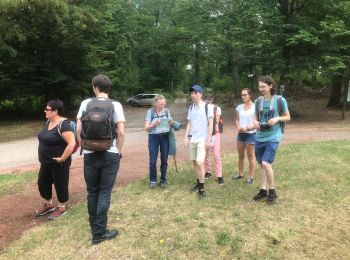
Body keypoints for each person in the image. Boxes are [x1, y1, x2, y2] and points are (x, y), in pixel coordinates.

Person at [77, 74, 125, 244]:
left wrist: (84, 146)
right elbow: (120, 132)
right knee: (104, 192)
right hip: (109, 153)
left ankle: (94, 227)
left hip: (89, 153)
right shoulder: (115, 105)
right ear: (108, 88)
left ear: (95, 87)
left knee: (92, 192)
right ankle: (99, 232)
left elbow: (79, 129)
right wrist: (118, 150)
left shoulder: (85, 104)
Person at [36, 99, 75, 220]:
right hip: (45, 162)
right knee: (42, 183)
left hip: (59, 163)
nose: (45, 111)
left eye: (47, 109)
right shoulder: (48, 122)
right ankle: (49, 205)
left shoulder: (64, 124)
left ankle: (61, 207)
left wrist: (62, 158)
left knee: (60, 184)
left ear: (55, 111)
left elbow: (71, 143)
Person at [253, 76, 290, 202]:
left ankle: (272, 192)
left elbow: (287, 117)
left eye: (263, 86)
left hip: (273, 137)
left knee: (266, 163)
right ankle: (263, 190)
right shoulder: (258, 101)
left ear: (271, 86)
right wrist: (255, 123)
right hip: (259, 136)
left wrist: (277, 118)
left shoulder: (280, 100)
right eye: (259, 86)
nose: (261, 89)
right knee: (260, 164)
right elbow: (255, 118)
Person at [184, 85, 213, 199]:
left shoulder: (207, 107)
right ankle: (198, 183)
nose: (193, 95)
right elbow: (189, 123)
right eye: (192, 93)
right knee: (195, 162)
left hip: (202, 139)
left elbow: (211, 123)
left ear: (201, 94)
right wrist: (186, 137)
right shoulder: (191, 108)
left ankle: (202, 189)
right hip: (193, 139)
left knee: (200, 163)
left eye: (195, 93)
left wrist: (208, 139)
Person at [144, 95, 173, 189]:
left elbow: (171, 122)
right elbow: (146, 128)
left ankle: (163, 180)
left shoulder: (167, 111)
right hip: (154, 137)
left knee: (164, 159)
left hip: (164, 137)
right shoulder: (150, 112)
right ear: (155, 104)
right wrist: (154, 124)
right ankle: (153, 180)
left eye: (164, 104)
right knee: (153, 161)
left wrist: (171, 122)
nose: (163, 106)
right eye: (161, 104)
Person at [233, 88, 256, 184]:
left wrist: (247, 128)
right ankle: (241, 174)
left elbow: (256, 123)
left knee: (250, 156)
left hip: (251, 134)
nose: (243, 97)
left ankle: (251, 177)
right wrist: (238, 127)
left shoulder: (255, 107)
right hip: (241, 134)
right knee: (240, 155)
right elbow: (237, 120)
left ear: (250, 95)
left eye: (245, 95)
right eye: (242, 95)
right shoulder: (239, 107)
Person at [203, 94, 224, 185]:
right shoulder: (202, 108)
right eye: (207, 99)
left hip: (215, 134)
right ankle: (207, 171)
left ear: (212, 100)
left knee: (216, 155)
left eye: (210, 99)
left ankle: (219, 176)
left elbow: (216, 121)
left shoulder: (216, 108)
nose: (208, 100)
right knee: (205, 155)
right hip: (205, 135)